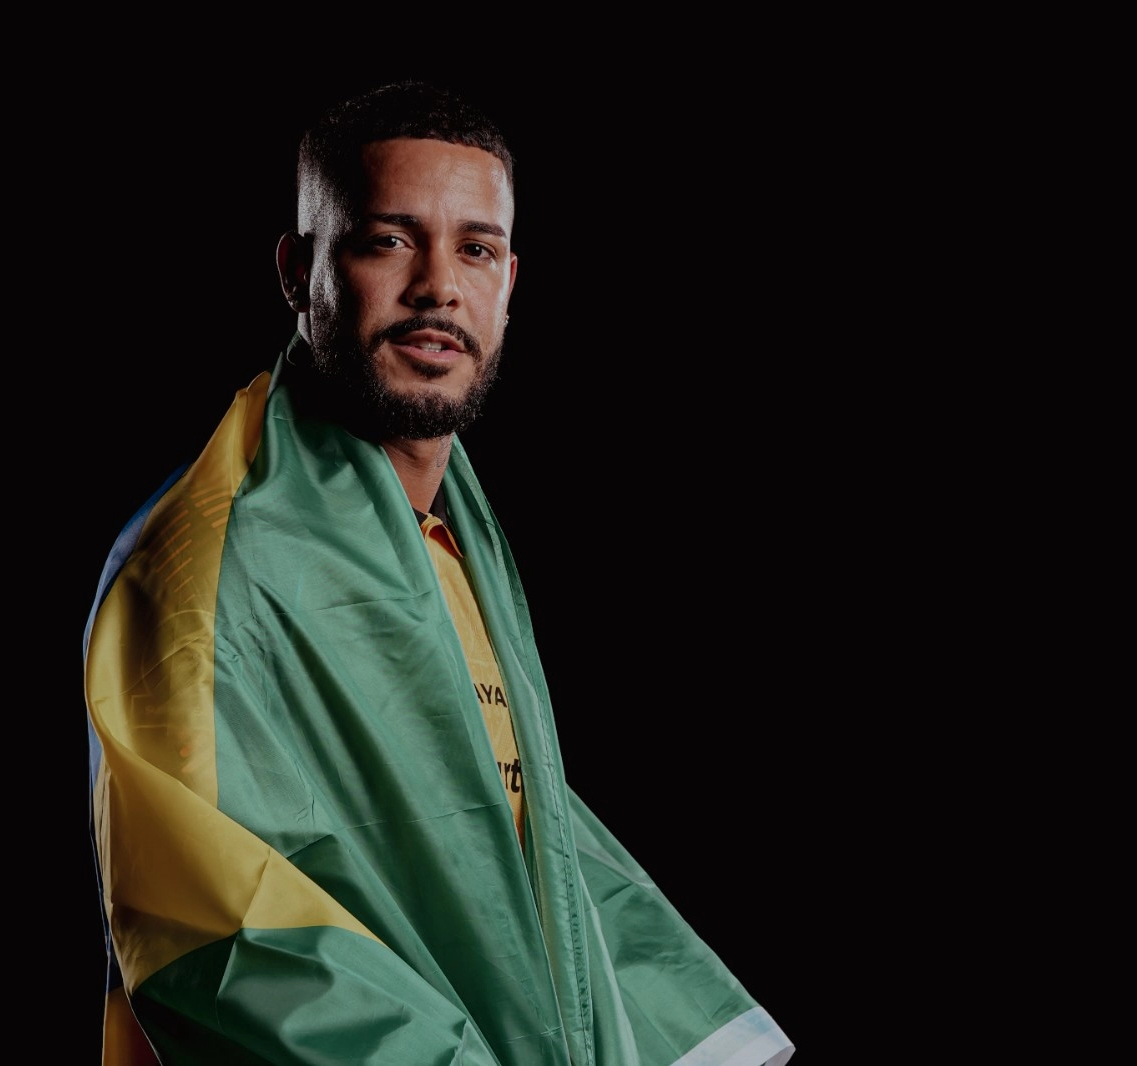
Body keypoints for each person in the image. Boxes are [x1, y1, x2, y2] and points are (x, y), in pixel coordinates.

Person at [83, 80, 795, 1065]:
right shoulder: (206, 571)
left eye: (476, 249)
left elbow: (520, 849)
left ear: (509, 281)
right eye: (388, 240)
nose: (438, 287)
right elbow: (222, 940)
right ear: (298, 271)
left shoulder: (449, 541)